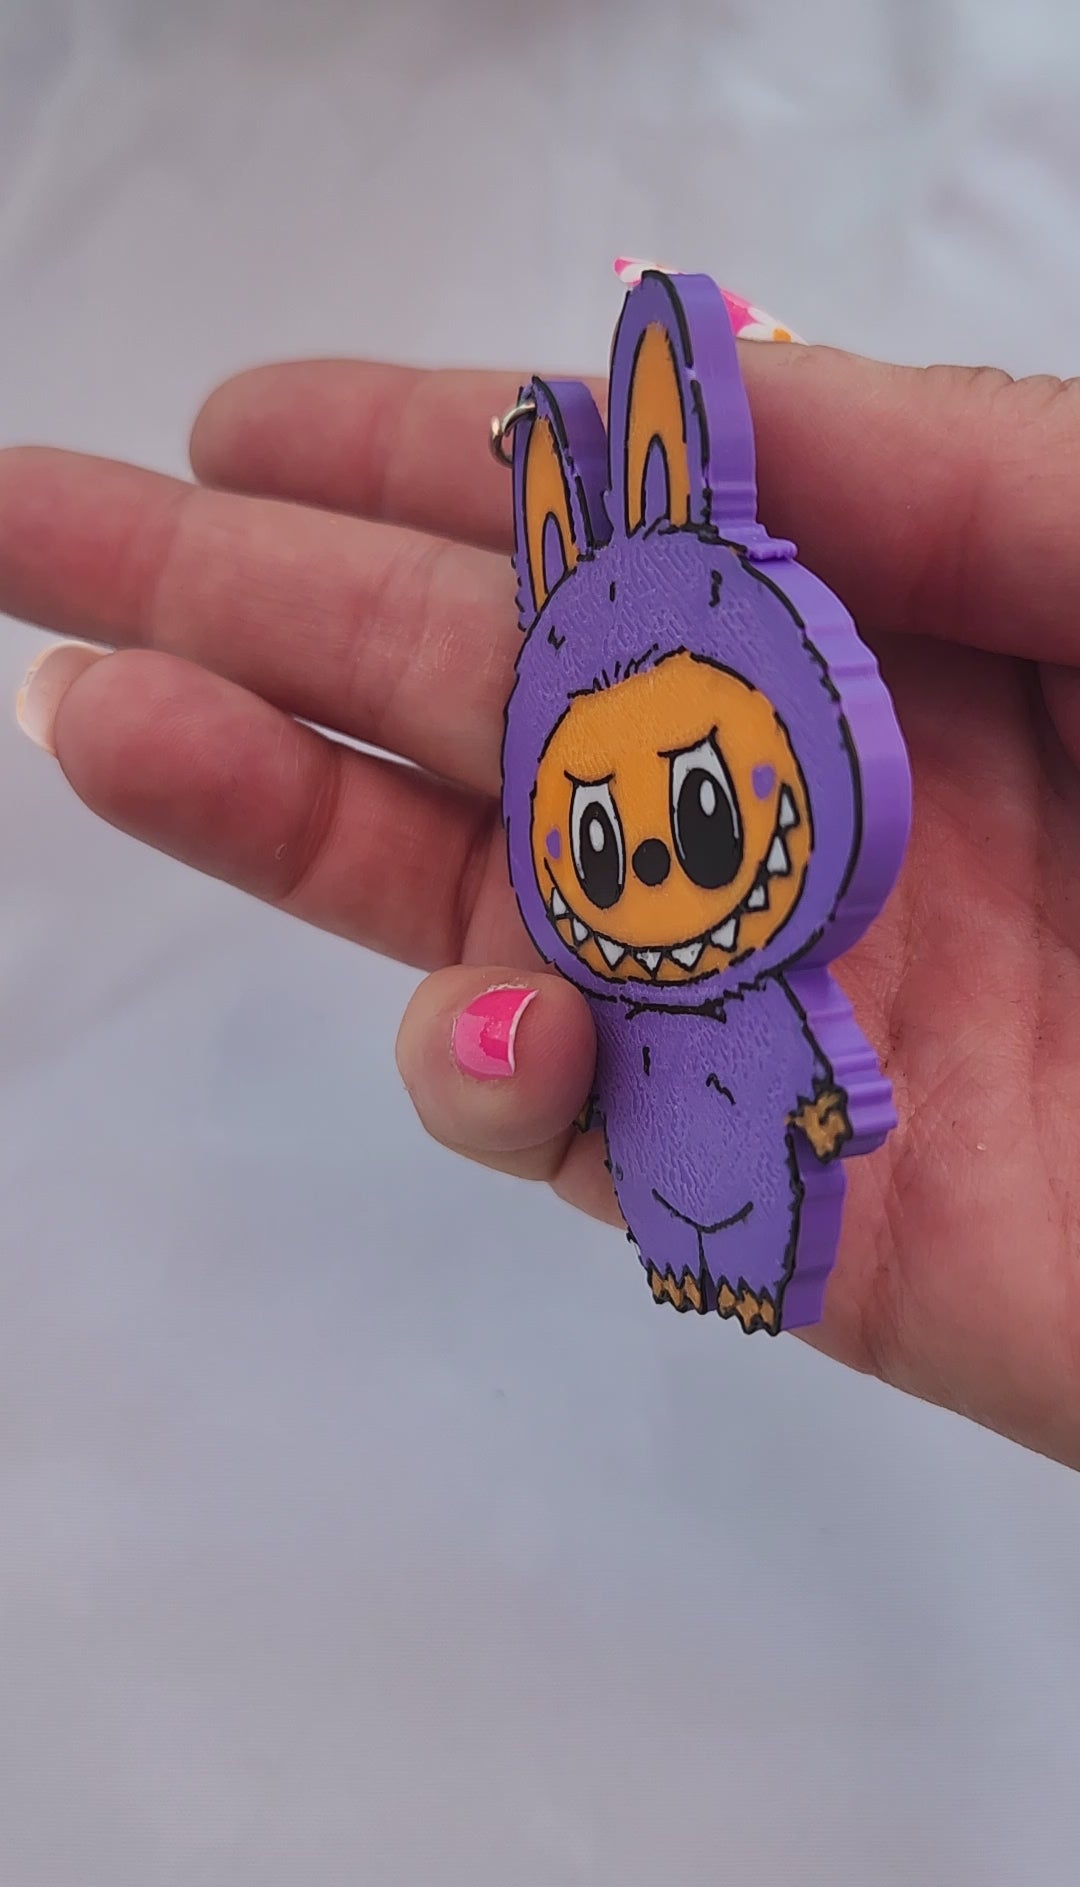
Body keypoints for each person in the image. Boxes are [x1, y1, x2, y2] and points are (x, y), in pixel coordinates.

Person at [8, 330, 1080, 1470]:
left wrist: (819, 1104)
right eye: (603, 844)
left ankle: (716, 1252)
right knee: (621, 1114)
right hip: (682, 1171)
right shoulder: (626, 998)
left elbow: (801, 1067)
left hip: (767, 1179)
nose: (653, 870)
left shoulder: (774, 968)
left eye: (701, 812)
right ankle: (694, 1260)